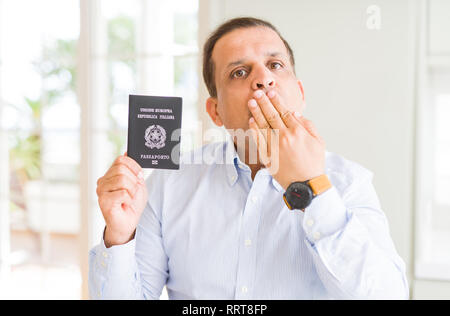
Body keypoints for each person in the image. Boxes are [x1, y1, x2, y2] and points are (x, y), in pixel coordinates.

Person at [89, 17, 409, 299]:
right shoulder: (167, 185)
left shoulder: (349, 183)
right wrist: (119, 236)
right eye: (239, 72)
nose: (263, 80)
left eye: (275, 65)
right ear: (216, 112)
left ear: (299, 93)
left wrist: (312, 188)